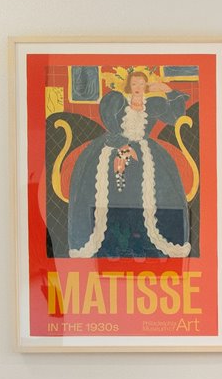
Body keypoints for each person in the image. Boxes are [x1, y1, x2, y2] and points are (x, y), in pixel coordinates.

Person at [66, 68, 193, 259]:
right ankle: (111, 245)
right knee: (111, 188)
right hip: (112, 146)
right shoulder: (118, 101)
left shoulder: (152, 105)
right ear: (129, 85)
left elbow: (175, 116)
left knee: (153, 187)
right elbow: (109, 123)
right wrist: (122, 147)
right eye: (134, 84)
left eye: (142, 84)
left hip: (145, 151)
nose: (138, 88)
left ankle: (141, 244)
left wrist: (166, 90)